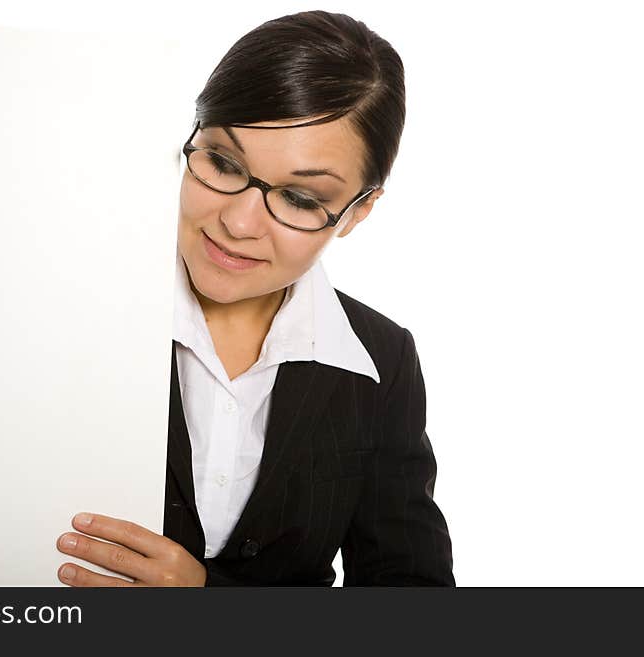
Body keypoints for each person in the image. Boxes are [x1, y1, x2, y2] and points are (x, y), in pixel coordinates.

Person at [55, 10, 454, 586]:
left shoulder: (382, 359)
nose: (239, 223)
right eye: (222, 162)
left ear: (358, 212)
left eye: (297, 197)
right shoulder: (65, 300)